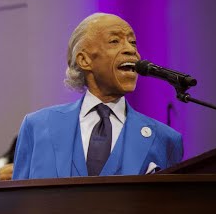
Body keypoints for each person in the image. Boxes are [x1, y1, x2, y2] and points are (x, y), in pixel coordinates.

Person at [13, 12, 184, 179]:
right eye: (115, 41)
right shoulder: (37, 127)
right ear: (84, 60)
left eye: (133, 42)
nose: (131, 50)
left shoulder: (166, 140)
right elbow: (21, 203)